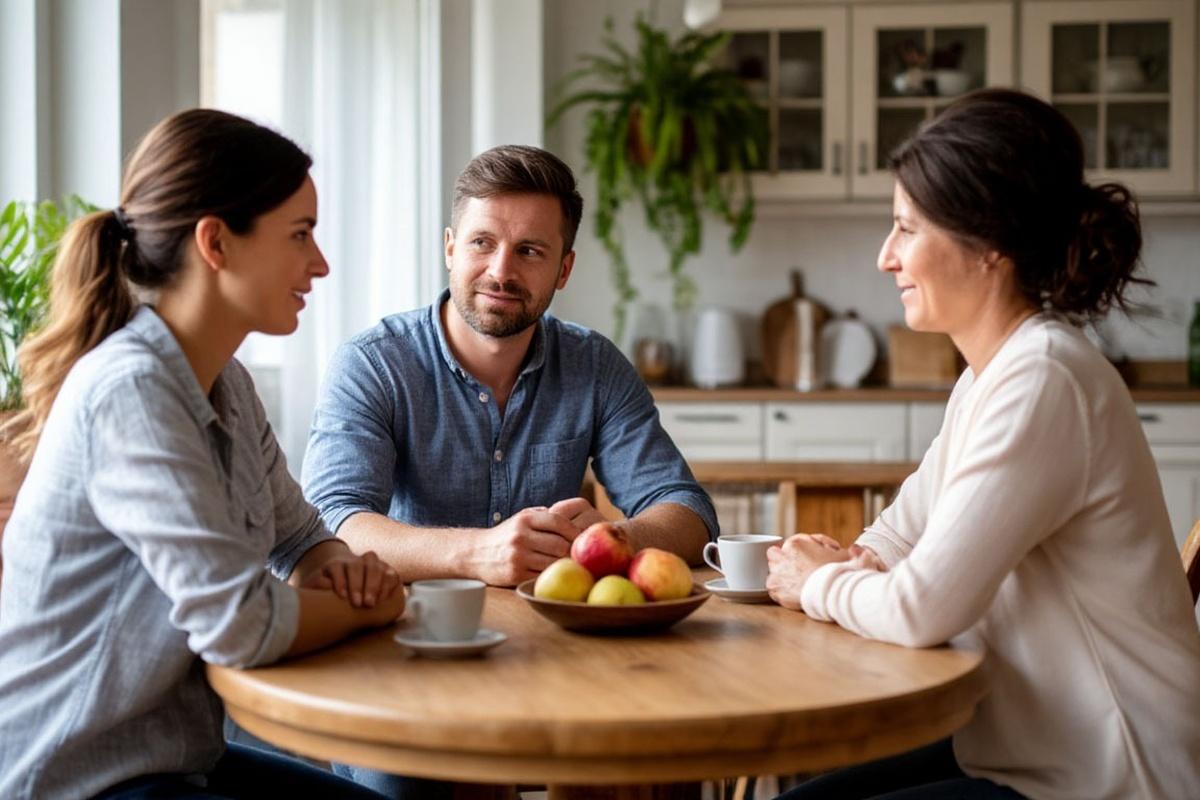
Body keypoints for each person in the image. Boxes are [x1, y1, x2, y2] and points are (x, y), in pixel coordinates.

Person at [766, 88, 1200, 800]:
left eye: (906, 229)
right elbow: (899, 535)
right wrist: (852, 563)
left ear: (990, 243)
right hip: (1028, 749)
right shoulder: (992, 374)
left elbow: (920, 610)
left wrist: (817, 583)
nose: (885, 257)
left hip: (1111, 777)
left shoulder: (1044, 378)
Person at [0, 109, 406, 800]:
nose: (320, 263)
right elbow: (240, 627)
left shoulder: (228, 382)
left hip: (175, 759)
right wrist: (371, 608)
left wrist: (344, 572)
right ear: (215, 241)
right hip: (77, 779)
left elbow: (301, 537)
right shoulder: (131, 391)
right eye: (300, 234)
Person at [302, 144, 717, 589]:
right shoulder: (372, 364)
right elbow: (330, 522)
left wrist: (616, 539)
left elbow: (689, 512)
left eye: (530, 251)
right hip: (419, 620)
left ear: (564, 269)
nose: (501, 272)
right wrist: (478, 552)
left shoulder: (595, 366)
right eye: (482, 243)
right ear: (450, 248)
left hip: (553, 624)